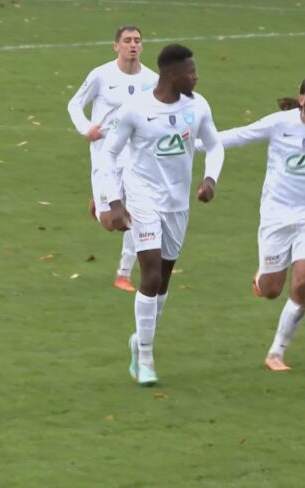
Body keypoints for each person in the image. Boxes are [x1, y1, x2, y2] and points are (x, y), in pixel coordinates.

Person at [98, 44, 224, 387]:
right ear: (172, 74)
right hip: (142, 198)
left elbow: (214, 146)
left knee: (164, 277)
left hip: (176, 203)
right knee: (150, 272)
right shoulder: (136, 109)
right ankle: (147, 357)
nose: (196, 77)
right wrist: (114, 202)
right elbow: (109, 155)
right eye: (191, 72)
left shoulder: (198, 107)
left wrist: (210, 179)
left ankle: (139, 339)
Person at [208, 76, 305, 372]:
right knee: (271, 290)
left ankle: (276, 352)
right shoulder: (280, 123)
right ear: (302, 100)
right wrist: (193, 142)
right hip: (276, 214)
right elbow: (240, 135)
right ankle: (262, 277)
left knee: (304, 282)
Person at [67, 25, 159, 291]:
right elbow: (74, 104)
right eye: (127, 40)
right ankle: (99, 207)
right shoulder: (101, 75)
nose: (133, 45)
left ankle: (124, 273)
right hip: (105, 155)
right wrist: (86, 128)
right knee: (111, 222)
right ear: (116, 46)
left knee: (136, 215)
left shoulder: (151, 80)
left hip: (135, 156)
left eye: (137, 41)